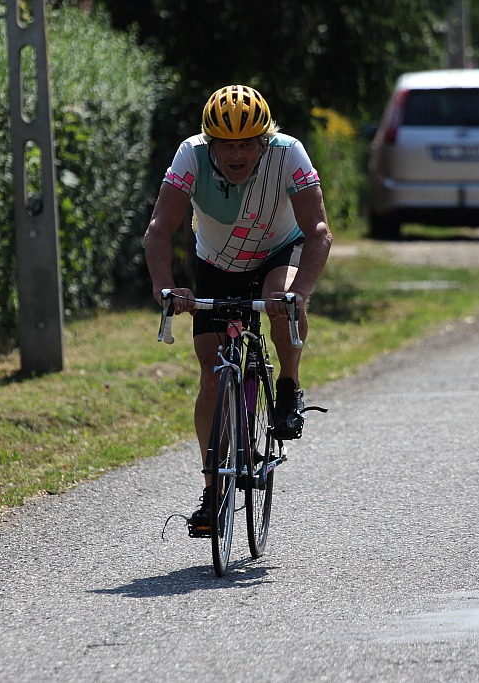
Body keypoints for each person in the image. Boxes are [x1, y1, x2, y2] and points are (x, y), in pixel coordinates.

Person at [143, 84, 332, 535]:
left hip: (278, 253)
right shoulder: (189, 157)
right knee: (212, 374)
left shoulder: (289, 154)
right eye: (226, 145)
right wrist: (166, 288)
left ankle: (288, 384)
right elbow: (158, 231)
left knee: (280, 301)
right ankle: (213, 492)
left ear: (264, 141)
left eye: (247, 143)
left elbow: (319, 231)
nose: (237, 154)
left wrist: (300, 293)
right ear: (210, 144)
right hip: (218, 264)